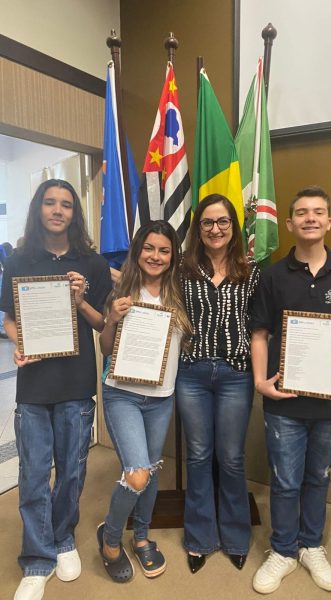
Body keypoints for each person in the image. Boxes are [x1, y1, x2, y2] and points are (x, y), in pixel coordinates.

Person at [251, 186, 331, 594]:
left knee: (318, 476)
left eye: (318, 211)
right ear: (289, 223)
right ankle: (283, 550)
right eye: (301, 212)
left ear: (329, 221)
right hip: (284, 399)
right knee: (284, 479)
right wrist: (259, 381)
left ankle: (311, 545)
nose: (310, 218)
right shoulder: (272, 275)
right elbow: (260, 333)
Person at [0, 179, 112, 600]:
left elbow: (103, 324)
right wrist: (18, 344)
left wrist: (80, 298)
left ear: (74, 213)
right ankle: (37, 558)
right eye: (50, 202)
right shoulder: (19, 260)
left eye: (66, 204)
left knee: (71, 471)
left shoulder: (93, 263)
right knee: (32, 475)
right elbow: (10, 318)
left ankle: (63, 537)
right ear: (39, 208)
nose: (58, 210)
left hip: (76, 383)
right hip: (33, 385)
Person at [97, 220, 191, 583]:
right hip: (123, 394)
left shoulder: (180, 293)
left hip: (161, 398)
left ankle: (141, 537)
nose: (156, 256)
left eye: (164, 250)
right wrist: (112, 320)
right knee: (136, 474)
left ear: (172, 256)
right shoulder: (121, 289)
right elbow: (106, 348)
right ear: (138, 251)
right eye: (149, 248)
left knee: (150, 474)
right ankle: (109, 540)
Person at [175, 193, 260, 574]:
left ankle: (237, 537)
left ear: (233, 226)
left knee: (231, 457)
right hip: (191, 373)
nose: (215, 229)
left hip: (235, 375)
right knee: (197, 456)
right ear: (198, 228)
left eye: (223, 221)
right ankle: (200, 538)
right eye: (207, 222)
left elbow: (263, 325)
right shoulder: (182, 268)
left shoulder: (253, 270)